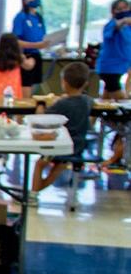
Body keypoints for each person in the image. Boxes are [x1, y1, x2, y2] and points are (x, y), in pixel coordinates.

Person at [30, 62, 92, 205]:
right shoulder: (87, 101)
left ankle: (33, 194)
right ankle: (35, 192)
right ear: (85, 84)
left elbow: (41, 119)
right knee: (59, 165)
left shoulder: (62, 104)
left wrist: (40, 105)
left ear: (64, 82)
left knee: (40, 164)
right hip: (78, 145)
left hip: (59, 145)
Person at [13, 0, 51, 98]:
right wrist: (35, 45)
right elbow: (16, 40)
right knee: (26, 87)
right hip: (25, 55)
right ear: (25, 0)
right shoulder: (21, 17)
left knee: (35, 87)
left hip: (37, 55)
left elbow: (43, 37)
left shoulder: (39, 17)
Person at [96, 0, 131, 101]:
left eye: (125, 8)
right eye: (119, 9)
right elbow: (112, 30)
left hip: (122, 67)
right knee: (122, 101)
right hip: (109, 69)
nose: (122, 11)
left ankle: (92, 117)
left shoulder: (128, 28)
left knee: (105, 100)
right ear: (113, 11)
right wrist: (123, 21)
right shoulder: (111, 25)